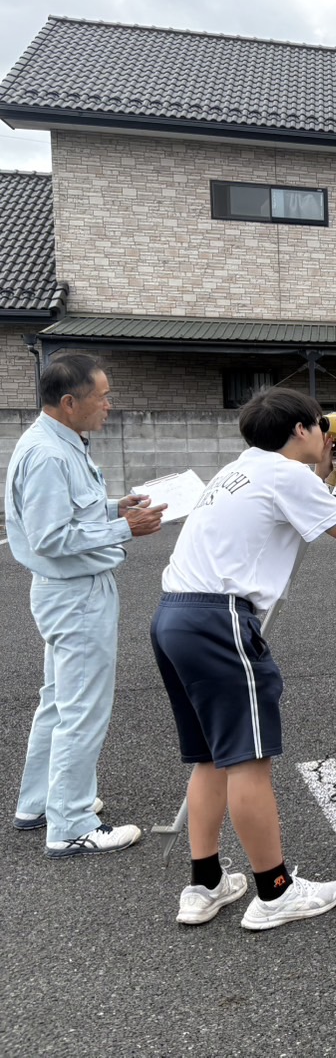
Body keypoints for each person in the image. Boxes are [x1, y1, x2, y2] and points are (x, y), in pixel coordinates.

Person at [149, 388, 336, 929]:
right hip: (219, 622)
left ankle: (205, 883)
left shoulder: (241, 470)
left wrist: (327, 474)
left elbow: (299, 511)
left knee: (212, 755)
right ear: (301, 431)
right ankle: (274, 890)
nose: (329, 437)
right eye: (321, 428)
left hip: (175, 615)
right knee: (249, 758)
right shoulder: (288, 477)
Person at [7, 354, 165, 857]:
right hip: (74, 594)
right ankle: (71, 824)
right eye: (101, 397)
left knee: (58, 703)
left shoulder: (57, 444)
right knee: (82, 709)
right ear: (70, 402)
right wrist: (125, 528)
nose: (109, 405)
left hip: (67, 592)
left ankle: (39, 804)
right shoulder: (49, 454)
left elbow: (69, 509)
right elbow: (50, 536)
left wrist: (113, 507)